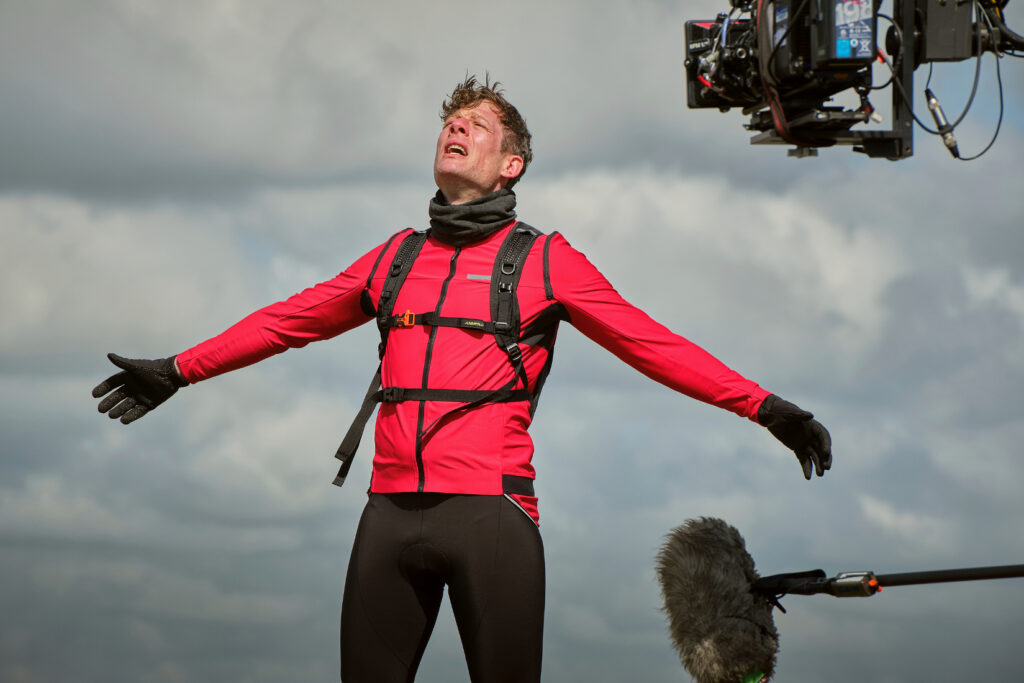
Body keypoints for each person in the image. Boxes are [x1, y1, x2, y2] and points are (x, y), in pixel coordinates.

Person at [92, 75, 832, 683]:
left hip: (491, 519)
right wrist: (178, 370)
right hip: (386, 517)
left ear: (511, 162)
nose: (457, 128)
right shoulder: (395, 258)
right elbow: (289, 319)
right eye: (451, 121)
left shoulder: (545, 261)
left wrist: (764, 406)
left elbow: (649, 342)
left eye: (478, 124)